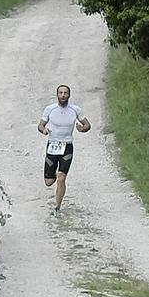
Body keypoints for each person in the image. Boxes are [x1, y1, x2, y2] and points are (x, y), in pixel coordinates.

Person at [38, 85, 91, 216]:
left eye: (65, 93)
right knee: (49, 182)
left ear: (69, 95)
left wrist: (82, 128)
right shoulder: (50, 109)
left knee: (61, 178)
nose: (63, 95)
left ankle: (57, 207)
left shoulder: (75, 109)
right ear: (57, 95)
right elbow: (40, 125)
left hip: (67, 146)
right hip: (52, 146)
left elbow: (87, 125)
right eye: (61, 93)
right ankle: (56, 173)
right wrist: (43, 130)